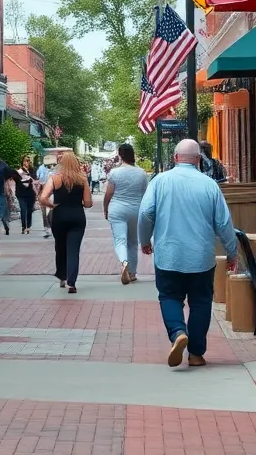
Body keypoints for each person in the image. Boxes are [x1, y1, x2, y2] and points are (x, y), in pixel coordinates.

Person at [139, 139, 238, 368]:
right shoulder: (209, 185)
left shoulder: (159, 181)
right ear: (197, 159)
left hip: (168, 255)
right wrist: (232, 252)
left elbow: (145, 213)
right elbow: (224, 223)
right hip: (201, 256)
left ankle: (177, 332)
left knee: (169, 296)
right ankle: (196, 354)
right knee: (201, 302)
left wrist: (145, 240)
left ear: (175, 158)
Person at [38, 152, 92, 293]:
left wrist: (52, 206)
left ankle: (62, 276)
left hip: (59, 216)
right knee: (73, 250)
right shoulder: (82, 179)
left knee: (60, 247)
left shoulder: (54, 178)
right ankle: (71, 282)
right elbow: (88, 203)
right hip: (77, 216)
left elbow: (43, 198)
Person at [104, 143, 150, 285]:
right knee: (133, 241)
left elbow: (109, 193)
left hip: (117, 208)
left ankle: (124, 262)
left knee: (120, 240)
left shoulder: (114, 173)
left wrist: (105, 208)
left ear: (120, 155)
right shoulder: (141, 173)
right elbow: (145, 195)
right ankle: (132, 272)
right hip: (135, 209)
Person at [14, 154, 38, 234]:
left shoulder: (32, 170)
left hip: (30, 194)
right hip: (21, 193)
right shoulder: (18, 171)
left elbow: (34, 180)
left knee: (29, 211)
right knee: (23, 210)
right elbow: (17, 180)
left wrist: (27, 173)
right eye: (24, 161)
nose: (26, 163)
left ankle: (28, 226)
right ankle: (23, 226)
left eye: (27, 161)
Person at [36, 158, 54, 238]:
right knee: (44, 212)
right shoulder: (41, 168)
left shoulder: (55, 170)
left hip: (52, 193)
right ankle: (47, 229)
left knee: (51, 212)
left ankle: (52, 227)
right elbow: (38, 179)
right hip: (43, 192)